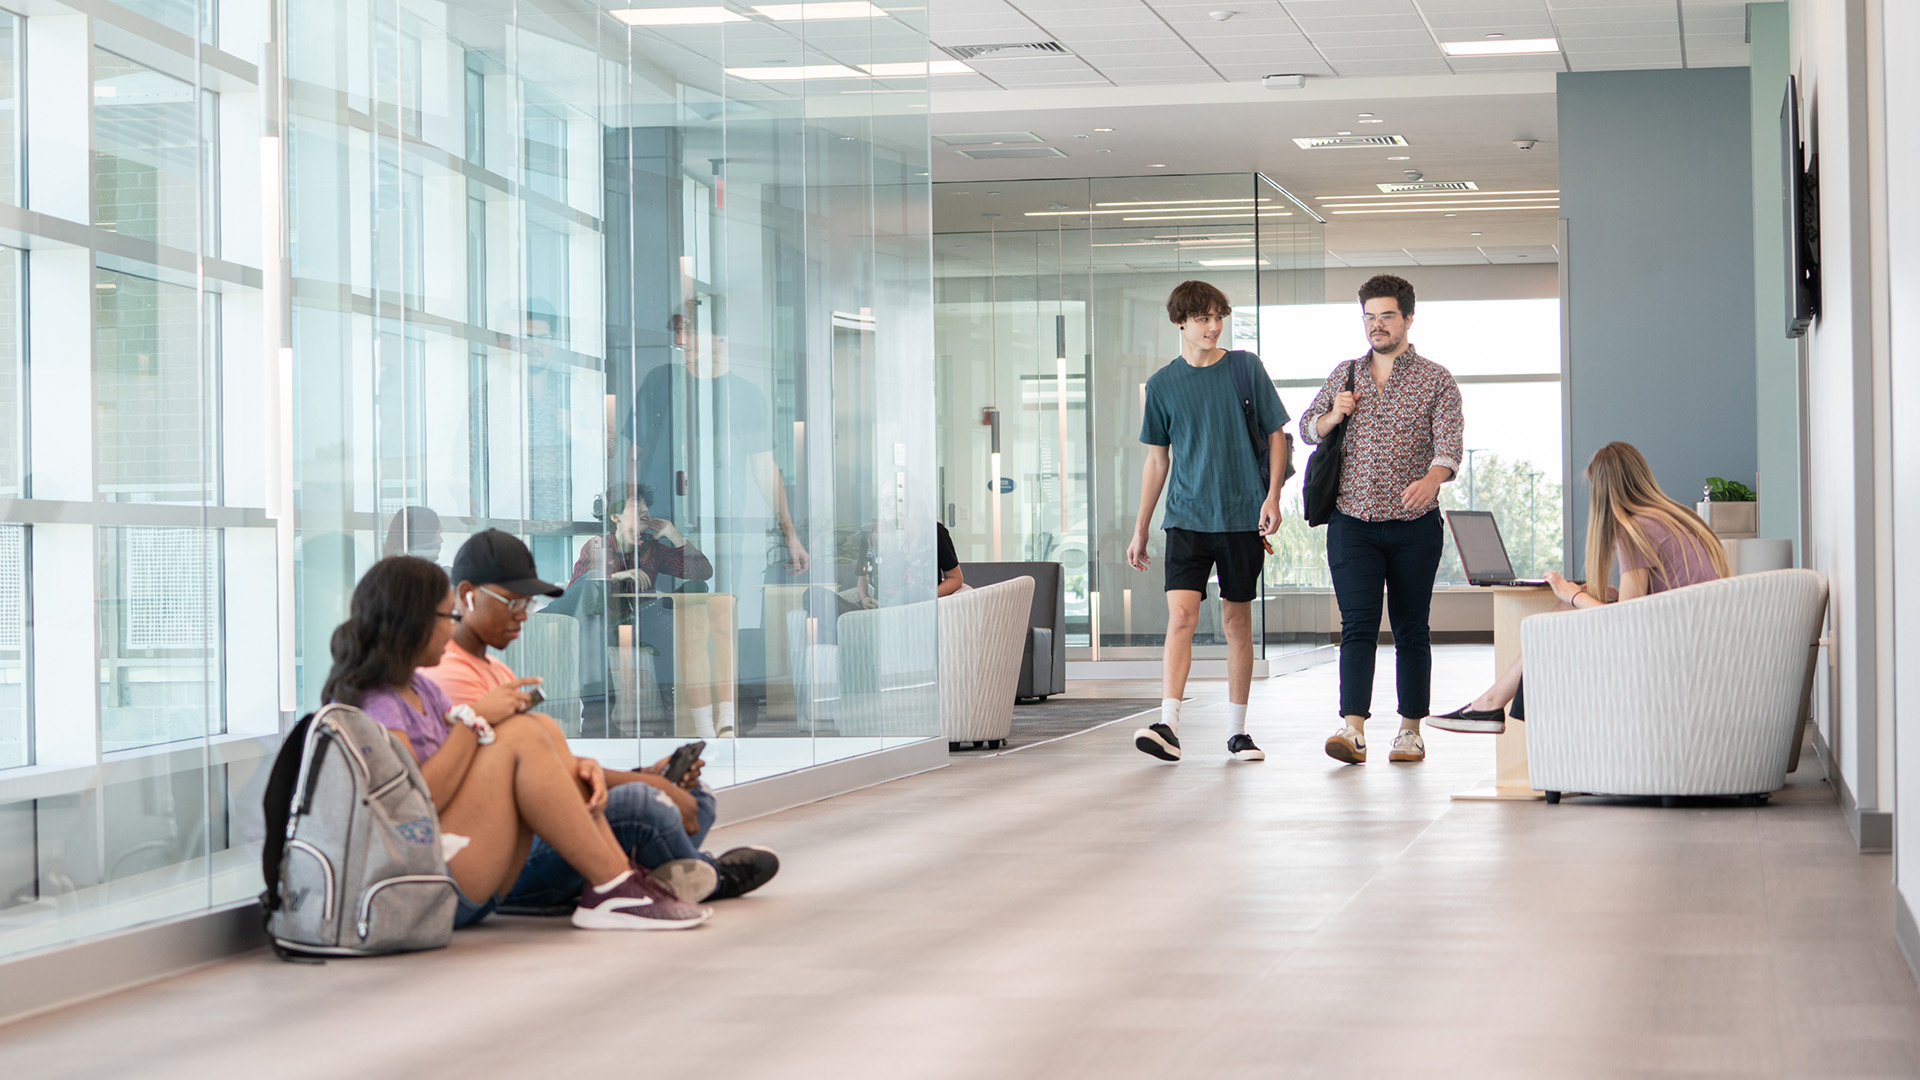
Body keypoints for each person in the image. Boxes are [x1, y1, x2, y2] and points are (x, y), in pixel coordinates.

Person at [322, 555, 711, 930]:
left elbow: (474, 765)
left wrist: (576, 769)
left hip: (465, 861)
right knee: (529, 734)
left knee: (537, 726)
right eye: (448, 616)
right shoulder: (378, 701)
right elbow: (416, 803)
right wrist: (477, 719)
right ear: (412, 622)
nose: (451, 626)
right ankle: (618, 885)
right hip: (426, 879)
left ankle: (616, 882)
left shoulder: (422, 688)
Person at [427, 529, 780, 904]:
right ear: (467, 595)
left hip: (535, 821)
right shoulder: (450, 673)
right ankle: (701, 874)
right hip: (511, 844)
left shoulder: (495, 669)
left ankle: (656, 873)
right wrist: (651, 785)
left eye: (526, 605)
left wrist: (648, 774)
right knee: (646, 805)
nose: (522, 617)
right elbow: (523, 781)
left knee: (696, 797)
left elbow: (550, 766)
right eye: (513, 603)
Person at [1429, 441, 1731, 734]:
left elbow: (1626, 618)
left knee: (1554, 624)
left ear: (1604, 490)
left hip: (1674, 650)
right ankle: (1489, 705)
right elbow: (1652, 596)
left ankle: (1491, 706)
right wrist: (1605, 595)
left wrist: (1572, 593)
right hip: (1697, 639)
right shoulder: (1675, 519)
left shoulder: (1636, 529)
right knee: (1561, 616)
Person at [1297, 273, 1463, 766]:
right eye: (1369, 317)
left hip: (1415, 526)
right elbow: (1308, 427)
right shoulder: (1345, 373)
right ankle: (1353, 730)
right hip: (1353, 523)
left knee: (1412, 626)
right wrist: (1333, 414)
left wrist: (1432, 480)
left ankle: (1410, 731)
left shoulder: (1436, 379)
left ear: (1409, 318)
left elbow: (1449, 446)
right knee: (1358, 625)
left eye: (1386, 315)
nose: (1376, 326)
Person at [1127, 280, 1288, 764]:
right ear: (1180, 322)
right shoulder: (1161, 385)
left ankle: (1238, 732)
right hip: (1186, 519)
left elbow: (1276, 435)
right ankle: (1168, 724)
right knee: (1181, 617)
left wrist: (1274, 497)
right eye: (1203, 319)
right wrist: (1141, 528)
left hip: (1242, 517)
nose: (1213, 327)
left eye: (1219, 317)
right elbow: (1158, 461)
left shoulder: (1245, 369)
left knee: (1237, 623)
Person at [569, 487, 737, 738]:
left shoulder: (652, 548)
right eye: (637, 509)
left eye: (646, 509)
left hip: (647, 617)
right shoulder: (598, 546)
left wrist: (674, 535)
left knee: (678, 629)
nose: (645, 514)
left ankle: (674, 714)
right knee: (591, 635)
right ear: (616, 516)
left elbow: (703, 571)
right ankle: (597, 722)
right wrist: (616, 576)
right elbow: (577, 590)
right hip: (608, 620)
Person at [937, 521, 964, 598]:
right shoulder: (901, 532)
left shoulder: (937, 532)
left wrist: (930, 598)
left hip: (925, 604)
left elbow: (955, 578)